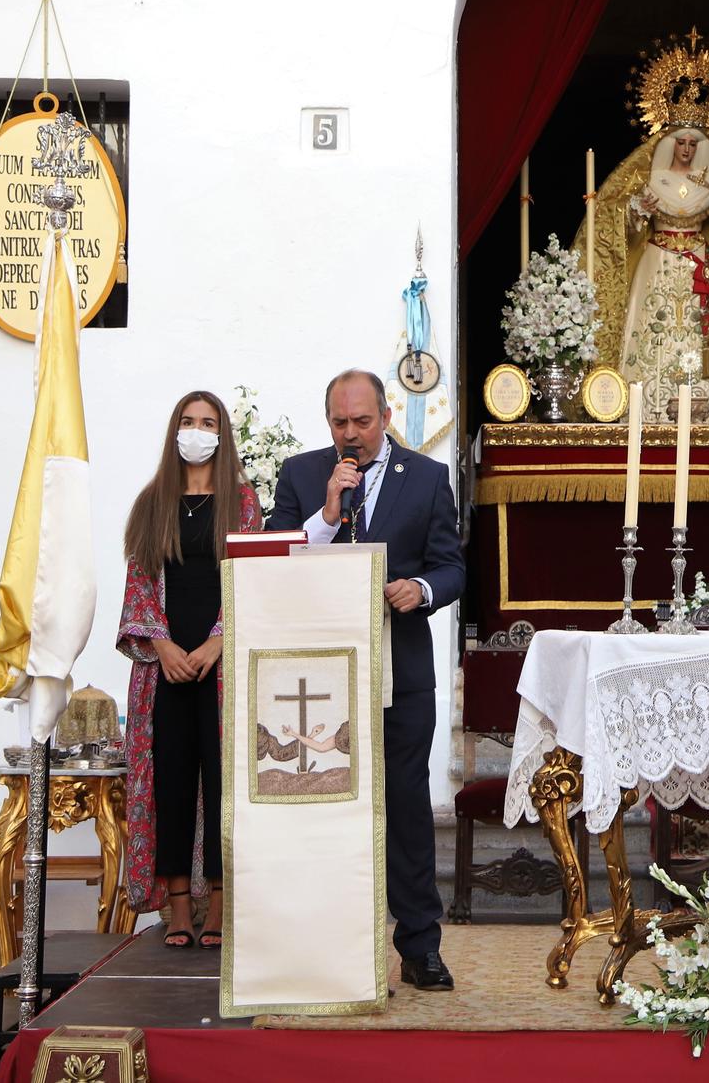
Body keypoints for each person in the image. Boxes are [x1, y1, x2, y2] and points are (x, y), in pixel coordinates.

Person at [267, 369, 464, 991]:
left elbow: (452, 567)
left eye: (362, 422)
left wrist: (423, 588)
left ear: (387, 417)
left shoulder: (428, 478)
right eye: (339, 423)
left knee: (406, 805)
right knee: (325, 802)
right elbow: (271, 558)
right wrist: (325, 514)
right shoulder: (303, 476)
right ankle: (326, 942)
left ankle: (420, 946)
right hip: (322, 678)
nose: (351, 434)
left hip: (400, 670)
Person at [115, 390, 262, 949]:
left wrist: (218, 641)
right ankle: (178, 908)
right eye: (187, 421)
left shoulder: (242, 502)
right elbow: (138, 581)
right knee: (170, 782)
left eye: (207, 422)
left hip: (222, 667)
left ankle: (220, 906)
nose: (196, 431)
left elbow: (253, 577)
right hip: (165, 669)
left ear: (222, 434)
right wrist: (165, 646)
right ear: (174, 430)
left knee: (224, 780)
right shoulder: (152, 501)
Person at [573, 122, 709, 423]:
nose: (686, 149)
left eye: (692, 144)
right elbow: (627, 226)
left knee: (705, 330)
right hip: (658, 261)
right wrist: (637, 210)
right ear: (670, 144)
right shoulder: (654, 182)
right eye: (681, 142)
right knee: (651, 324)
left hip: (699, 262)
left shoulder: (708, 184)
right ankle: (645, 406)